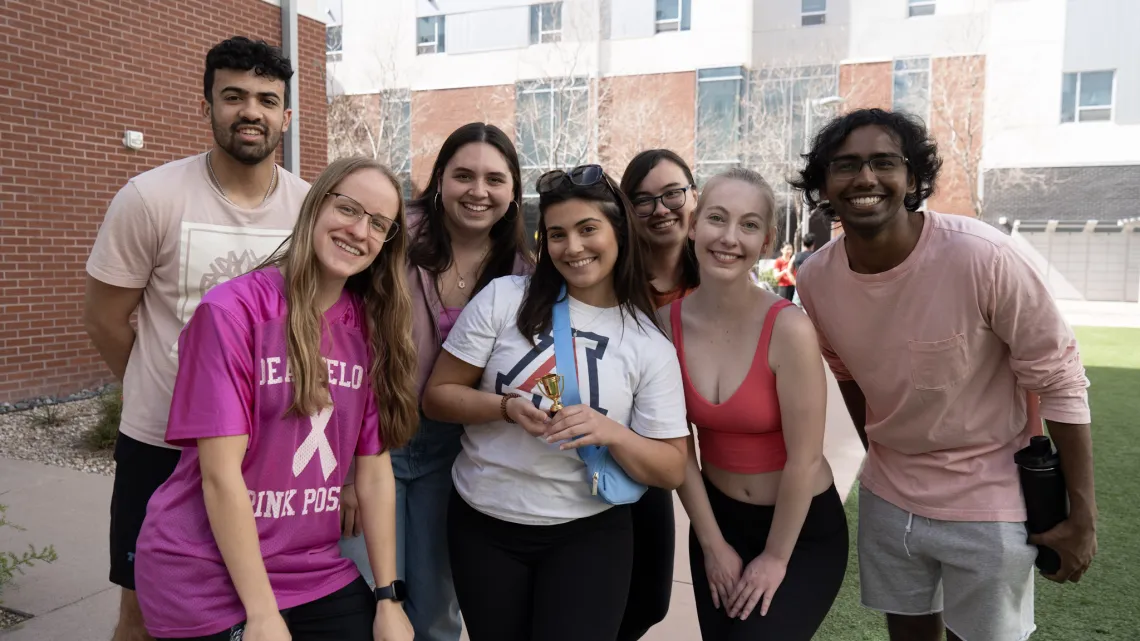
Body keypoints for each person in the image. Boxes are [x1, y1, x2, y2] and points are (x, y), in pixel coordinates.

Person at [793, 108, 1097, 641]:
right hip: (890, 498)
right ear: (823, 185)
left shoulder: (982, 257)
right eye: (845, 165)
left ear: (912, 178)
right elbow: (844, 369)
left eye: (883, 162)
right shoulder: (816, 278)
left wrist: (1082, 517)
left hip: (991, 497)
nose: (865, 178)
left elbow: (1061, 380)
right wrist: (877, 447)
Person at [83, 36, 310, 641]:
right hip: (160, 444)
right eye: (233, 96)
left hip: (268, 452)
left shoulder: (310, 210)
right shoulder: (150, 198)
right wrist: (160, 387)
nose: (250, 111)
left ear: (286, 116)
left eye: (267, 99)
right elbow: (106, 320)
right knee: (143, 611)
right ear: (206, 105)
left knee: (262, 603)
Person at [133, 157, 417, 641]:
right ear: (314, 206)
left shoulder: (368, 329)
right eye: (348, 208)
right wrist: (263, 615)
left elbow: (373, 472)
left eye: (378, 224)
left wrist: (388, 598)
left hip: (309, 568)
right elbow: (220, 476)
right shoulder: (231, 312)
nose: (359, 230)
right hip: (205, 570)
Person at [421, 164, 690, 641]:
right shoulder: (505, 298)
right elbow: (438, 398)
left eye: (589, 229)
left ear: (620, 233)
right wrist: (504, 407)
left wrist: (611, 431)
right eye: (557, 234)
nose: (574, 247)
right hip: (484, 525)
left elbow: (671, 468)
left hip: (588, 532)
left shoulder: (649, 343)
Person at [338, 122, 533, 641]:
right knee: (364, 598)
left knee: (436, 607)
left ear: (514, 190)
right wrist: (343, 469)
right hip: (371, 438)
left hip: (454, 452)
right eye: (463, 175)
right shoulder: (393, 235)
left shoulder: (523, 272)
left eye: (495, 179)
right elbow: (336, 332)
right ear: (439, 179)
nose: (478, 191)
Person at [665, 168, 847, 640]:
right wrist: (711, 543)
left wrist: (775, 558)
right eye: (717, 219)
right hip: (716, 523)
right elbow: (677, 446)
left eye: (748, 225)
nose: (729, 238)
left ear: (766, 241)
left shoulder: (790, 330)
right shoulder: (665, 325)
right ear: (693, 224)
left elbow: (805, 459)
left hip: (798, 530)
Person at [605, 148, 700, 641]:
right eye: (643, 200)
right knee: (611, 600)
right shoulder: (611, 277)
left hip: (667, 456)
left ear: (693, 195)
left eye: (672, 194)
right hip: (613, 450)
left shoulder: (715, 275)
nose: (661, 209)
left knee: (649, 601)